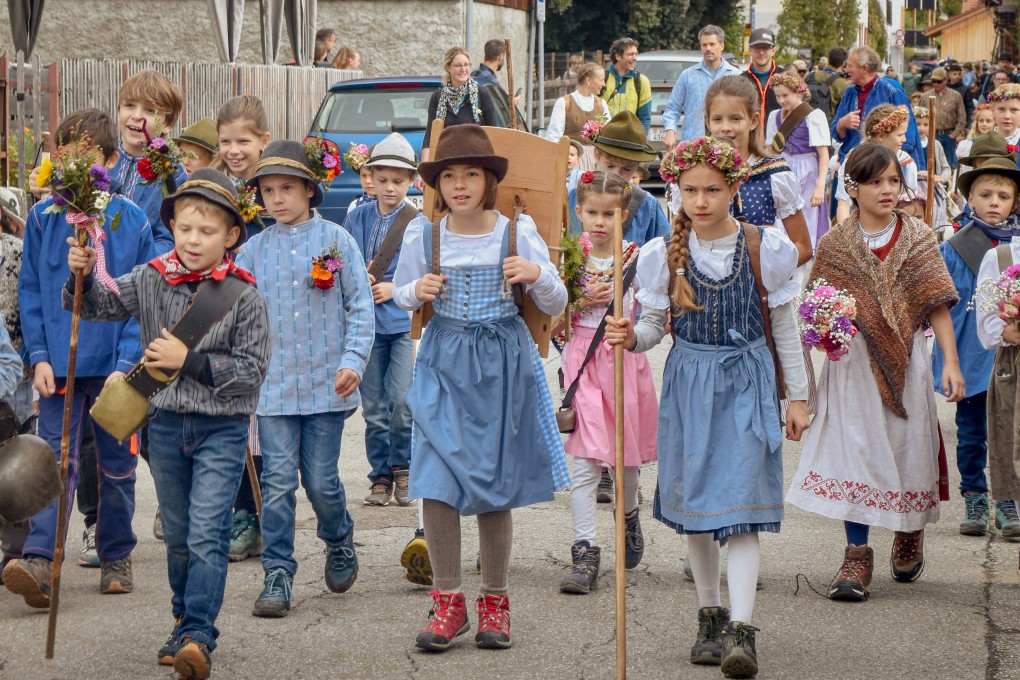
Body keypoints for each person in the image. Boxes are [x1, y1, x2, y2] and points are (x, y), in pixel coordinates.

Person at [606, 135, 808, 679]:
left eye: (712, 190)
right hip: (690, 383)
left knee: (741, 509)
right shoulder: (659, 256)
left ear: (735, 188)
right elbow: (652, 328)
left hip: (747, 380)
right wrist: (633, 336)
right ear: (676, 191)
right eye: (690, 190)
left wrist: (799, 396)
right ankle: (710, 614)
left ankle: (742, 630)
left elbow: (784, 328)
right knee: (697, 510)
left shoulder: (766, 247)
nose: (700, 201)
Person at [66, 167, 270, 679]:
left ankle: (200, 633)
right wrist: (84, 274)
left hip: (222, 429)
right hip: (163, 425)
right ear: (173, 227)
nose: (194, 239)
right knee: (178, 536)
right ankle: (182, 620)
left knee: (206, 534)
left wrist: (190, 360)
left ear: (231, 237)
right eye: (185, 228)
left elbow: (251, 374)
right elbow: (98, 307)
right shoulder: (152, 275)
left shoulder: (245, 296)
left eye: (207, 231)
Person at [392, 124, 569, 652]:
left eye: (472, 174)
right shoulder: (424, 234)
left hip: (501, 365)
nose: (461, 185)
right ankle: (448, 602)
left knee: (494, 485)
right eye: (449, 176)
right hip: (445, 361)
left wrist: (535, 271)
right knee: (436, 480)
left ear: (490, 180)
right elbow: (400, 294)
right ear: (438, 185)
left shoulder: (515, 231)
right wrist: (415, 289)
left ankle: (495, 601)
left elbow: (557, 302)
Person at [786, 142, 965, 602]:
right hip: (852, 367)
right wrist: (827, 328)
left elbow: (937, 303)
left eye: (893, 181)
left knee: (908, 447)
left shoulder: (919, 236)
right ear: (854, 187)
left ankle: (908, 530)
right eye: (875, 182)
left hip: (910, 361)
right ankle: (857, 554)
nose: (887, 190)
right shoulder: (835, 244)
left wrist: (952, 363)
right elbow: (813, 309)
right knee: (855, 452)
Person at [5, 109, 155, 608]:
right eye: (64, 154)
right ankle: (42, 559)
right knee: (54, 460)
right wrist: (39, 356)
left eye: (86, 157)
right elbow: (30, 292)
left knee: (116, 464)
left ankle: (115, 553)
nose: (72, 165)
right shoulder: (45, 220)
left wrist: (127, 363)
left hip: (115, 368)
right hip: (61, 368)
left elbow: (140, 296)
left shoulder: (128, 219)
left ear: (109, 162)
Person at [238, 140, 374, 618]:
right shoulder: (252, 250)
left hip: (325, 385)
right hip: (272, 390)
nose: (276, 198)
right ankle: (278, 571)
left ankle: (338, 538)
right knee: (276, 484)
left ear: (310, 191)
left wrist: (354, 360)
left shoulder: (337, 241)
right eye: (268, 190)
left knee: (319, 480)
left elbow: (361, 306)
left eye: (287, 188)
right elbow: (237, 312)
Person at [558, 170, 657, 595]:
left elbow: (654, 311)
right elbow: (552, 319)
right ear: (578, 212)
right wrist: (577, 300)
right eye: (592, 213)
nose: (599, 222)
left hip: (621, 360)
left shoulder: (638, 257)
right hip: (581, 359)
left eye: (608, 215)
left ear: (623, 217)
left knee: (625, 462)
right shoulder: (568, 255)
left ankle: (629, 512)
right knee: (584, 464)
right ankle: (585, 551)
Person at [935, 157, 1020, 541]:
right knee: (971, 432)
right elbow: (938, 304)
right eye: (985, 194)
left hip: (1009, 356)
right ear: (969, 197)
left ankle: (1007, 500)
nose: (994, 202)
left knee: (1008, 432)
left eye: (1003, 196)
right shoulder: (954, 247)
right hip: (970, 353)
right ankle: (975, 496)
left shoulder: (1017, 246)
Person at [342, 133, 418, 507]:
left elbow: (424, 272)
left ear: (412, 182)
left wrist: (393, 287)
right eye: (383, 179)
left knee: (401, 402)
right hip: (366, 327)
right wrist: (360, 279)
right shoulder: (355, 217)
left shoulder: (416, 222)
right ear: (370, 178)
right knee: (373, 408)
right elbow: (343, 260)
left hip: (401, 324)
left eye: (399, 181)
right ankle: (381, 475)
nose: (390, 188)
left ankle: (403, 466)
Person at [215, 95, 272, 563]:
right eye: (226, 141)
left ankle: (260, 512)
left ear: (263, 141)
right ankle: (241, 513)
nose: (235, 150)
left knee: (261, 425)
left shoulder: (273, 189)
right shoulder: (217, 187)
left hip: (266, 316)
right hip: (221, 312)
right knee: (232, 420)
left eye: (244, 141)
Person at [699, 76, 813, 269]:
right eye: (717, 119)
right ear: (707, 122)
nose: (725, 127)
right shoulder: (696, 174)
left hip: (757, 290)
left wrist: (767, 276)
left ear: (753, 121)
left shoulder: (773, 174)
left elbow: (802, 246)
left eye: (735, 118)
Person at [974, 163, 1020, 542]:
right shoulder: (1003, 257)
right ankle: (1007, 500)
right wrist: (1010, 328)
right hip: (1013, 364)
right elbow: (987, 326)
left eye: (1004, 196)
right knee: (1007, 430)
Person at [566, 111, 669, 246]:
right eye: (610, 165)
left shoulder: (647, 206)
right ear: (596, 155)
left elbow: (666, 251)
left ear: (637, 167)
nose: (617, 174)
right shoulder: (575, 197)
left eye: (627, 169)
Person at [110, 68, 185, 254]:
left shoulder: (174, 173)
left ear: (168, 123)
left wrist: (137, 265)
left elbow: (170, 237)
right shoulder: (102, 158)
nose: (137, 115)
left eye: (150, 110)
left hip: (142, 272)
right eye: (129, 105)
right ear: (118, 109)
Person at [831, 45, 927, 170]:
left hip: (885, 166)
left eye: (850, 66)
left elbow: (908, 135)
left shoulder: (891, 90)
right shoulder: (849, 92)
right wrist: (842, 123)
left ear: (864, 68)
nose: (846, 70)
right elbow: (836, 133)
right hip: (853, 164)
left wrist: (889, 165)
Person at [766, 71, 832, 249]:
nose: (781, 100)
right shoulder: (775, 116)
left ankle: (804, 252)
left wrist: (820, 186)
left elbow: (824, 153)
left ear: (798, 91)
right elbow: (771, 149)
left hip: (808, 168)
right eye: (778, 96)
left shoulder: (813, 116)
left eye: (785, 95)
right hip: (783, 166)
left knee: (806, 213)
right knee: (782, 212)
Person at [834, 104, 922, 223]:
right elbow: (844, 205)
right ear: (881, 135)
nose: (904, 139)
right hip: (859, 229)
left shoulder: (905, 164)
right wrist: (847, 237)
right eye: (900, 135)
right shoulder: (855, 161)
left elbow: (910, 207)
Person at [662, 25, 741, 149]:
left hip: (726, 147)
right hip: (693, 146)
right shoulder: (687, 76)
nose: (708, 48)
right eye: (704, 45)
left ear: (722, 46)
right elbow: (672, 108)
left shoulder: (735, 75)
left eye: (712, 44)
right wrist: (670, 132)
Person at [421, 47, 499, 168]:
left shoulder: (481, 94)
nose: (463, 69)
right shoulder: (438, 97)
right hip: (446, 161)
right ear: (448, 67)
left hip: (476, 161)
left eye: (466, 65)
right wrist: (424, 168)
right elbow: (430, 136)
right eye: (458, 65)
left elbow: (494, 133)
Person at [543, 62, 608, 172]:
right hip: (571, 163)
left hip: (596, 163)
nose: (604, 84)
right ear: (588, 80)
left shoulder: (602, 104)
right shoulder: (564, 103)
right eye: (601, 80)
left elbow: (607, 136)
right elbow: (553, 138)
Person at [603, 37, 653, 135]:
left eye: (636, 54)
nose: (635, 58)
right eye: (630, 54)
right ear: (618, 56)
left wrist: (640, 142)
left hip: (630, 141)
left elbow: (645, 118)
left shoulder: (642, 81)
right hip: (604, 140)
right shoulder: (602, 78)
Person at [913, 106, 951, 231]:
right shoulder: (909, 144)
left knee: (934, 221)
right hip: (915, 188)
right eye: (918, 124)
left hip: (933, 189)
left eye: (925, 124)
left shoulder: (936, 144)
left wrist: (941, 177)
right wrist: (920, 173)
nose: (921, 128)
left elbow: (946, 168)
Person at [742, 29, 780, 137]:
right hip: (749, 144)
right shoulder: (741, 80)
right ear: (750, 50)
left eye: (766, 48)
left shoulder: (785, 77)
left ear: (773, 50)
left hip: (780, 146)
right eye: (757, 48)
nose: (761, 52)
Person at [927, 67, 968, 168]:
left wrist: (954, 135)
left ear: (945, 80)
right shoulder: (925, 97)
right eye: (933, 81)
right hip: (931, 136)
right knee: (931, 164)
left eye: (938, 81)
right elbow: (918, 116)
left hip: (948, 136)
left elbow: (962, 117)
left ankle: (945, 184)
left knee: (948, 166)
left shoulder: (956, 96)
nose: (935, 84)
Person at [804, 47, 850, 124]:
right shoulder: (842, 84)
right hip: (827, 126)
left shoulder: (811, 76)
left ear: (828, 60)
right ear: (843, 64)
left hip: (806, 120)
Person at [955, 104, 997, 177]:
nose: (984, 124)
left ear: (995, 123)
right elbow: (960, 169)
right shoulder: (966, 145)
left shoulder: (998, 144)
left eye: (988, 121)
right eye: (981, 121)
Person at [471, 39, 513, 104]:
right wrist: (513, 101)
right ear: (501, 57)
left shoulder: (473, 73)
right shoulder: (491, 82)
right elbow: (501, 105)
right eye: (503, 57)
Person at [989, 83, 1020, 150]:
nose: (1007, 116)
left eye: (1014, 110)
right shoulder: (979, 144)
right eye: (1001, 109)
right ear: (992, 110)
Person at [947, 62, 975, 127]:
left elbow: (969, 108)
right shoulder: (945, 88)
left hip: (961, 123)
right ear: (949, 75)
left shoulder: (966, 89)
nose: (957, 76)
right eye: (955, 74)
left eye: (959, 74)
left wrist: (969, 125)